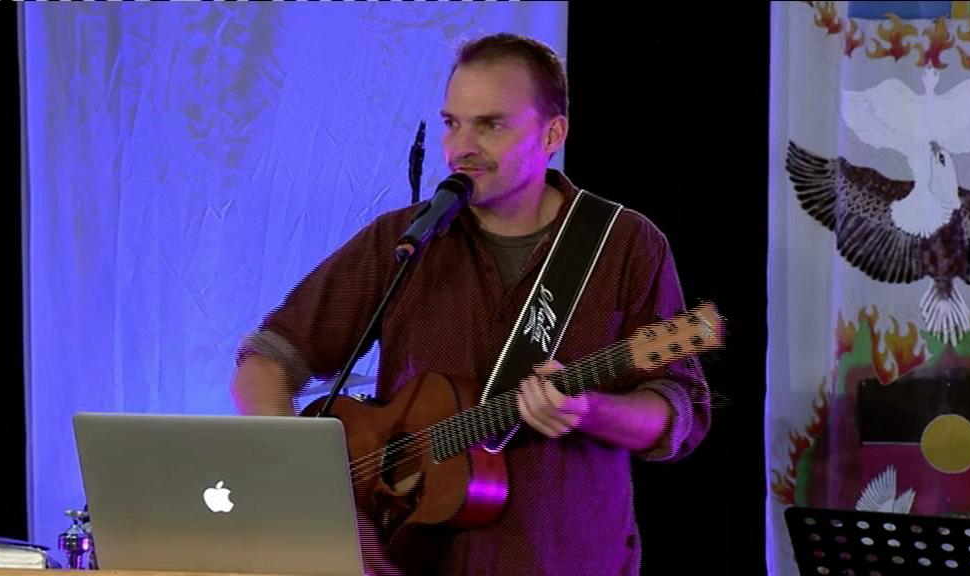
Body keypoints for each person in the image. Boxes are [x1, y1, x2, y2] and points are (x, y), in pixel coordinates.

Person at [231, 33, 711, 576]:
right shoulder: (405, 239)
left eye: (491, 125)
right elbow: (267, 359)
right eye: (452, 123)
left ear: (553, 133)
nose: (461, 147)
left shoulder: (625, 243)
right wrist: (307, 481)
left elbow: (680, 412)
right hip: (409, 562)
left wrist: (590, 411)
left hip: (564, 560)